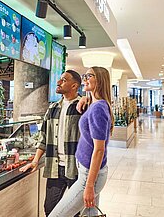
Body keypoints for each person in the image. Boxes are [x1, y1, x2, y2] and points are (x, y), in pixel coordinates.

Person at [49, 66, 113, 217]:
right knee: (89, 215)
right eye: (85, 76)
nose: (84, 79)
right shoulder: (94, 104)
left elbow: (99, 150)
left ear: (100, 80)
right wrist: (85, 98)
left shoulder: (98, 108)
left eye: (89, 76)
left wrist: (90, 185)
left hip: (89, 177)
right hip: (88, 171)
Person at [20, 70, 83, 217]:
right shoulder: (53, 108)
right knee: (50, 209)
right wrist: (35, 161)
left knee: (74, 211)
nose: (58, 82)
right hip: (55, 167)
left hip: (76, 167)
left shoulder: (83, 107)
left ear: (74, 86)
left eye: (63, 80)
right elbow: (44, 137)